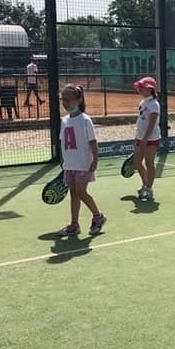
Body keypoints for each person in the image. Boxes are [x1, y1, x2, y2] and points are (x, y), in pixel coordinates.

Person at [57, 83, 106, 237]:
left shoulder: (85, 120)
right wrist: (63, 161)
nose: (66, 103)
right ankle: (74, 224)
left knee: (80, 191)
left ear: (79, 100)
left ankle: (98, 216)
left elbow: (93, 141)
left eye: (69, 99)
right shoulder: (64, 121)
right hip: (70, 164)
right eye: (63, 99)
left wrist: (95, 160)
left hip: (83, 163)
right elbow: (63, 143)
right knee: (73, 193)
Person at [132, 76, 162, 203]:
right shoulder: (143, 102)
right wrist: (138, 137)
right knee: (137, 162)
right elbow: (141, 121)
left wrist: (145, 139)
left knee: (149, 163)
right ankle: (145, 185)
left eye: (142, 87)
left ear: (150, 89)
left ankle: (148, 189)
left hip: (151, 139)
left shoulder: (154, 104)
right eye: (139, 87)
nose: (139, 89)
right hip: (140, 138)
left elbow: (152, 124)